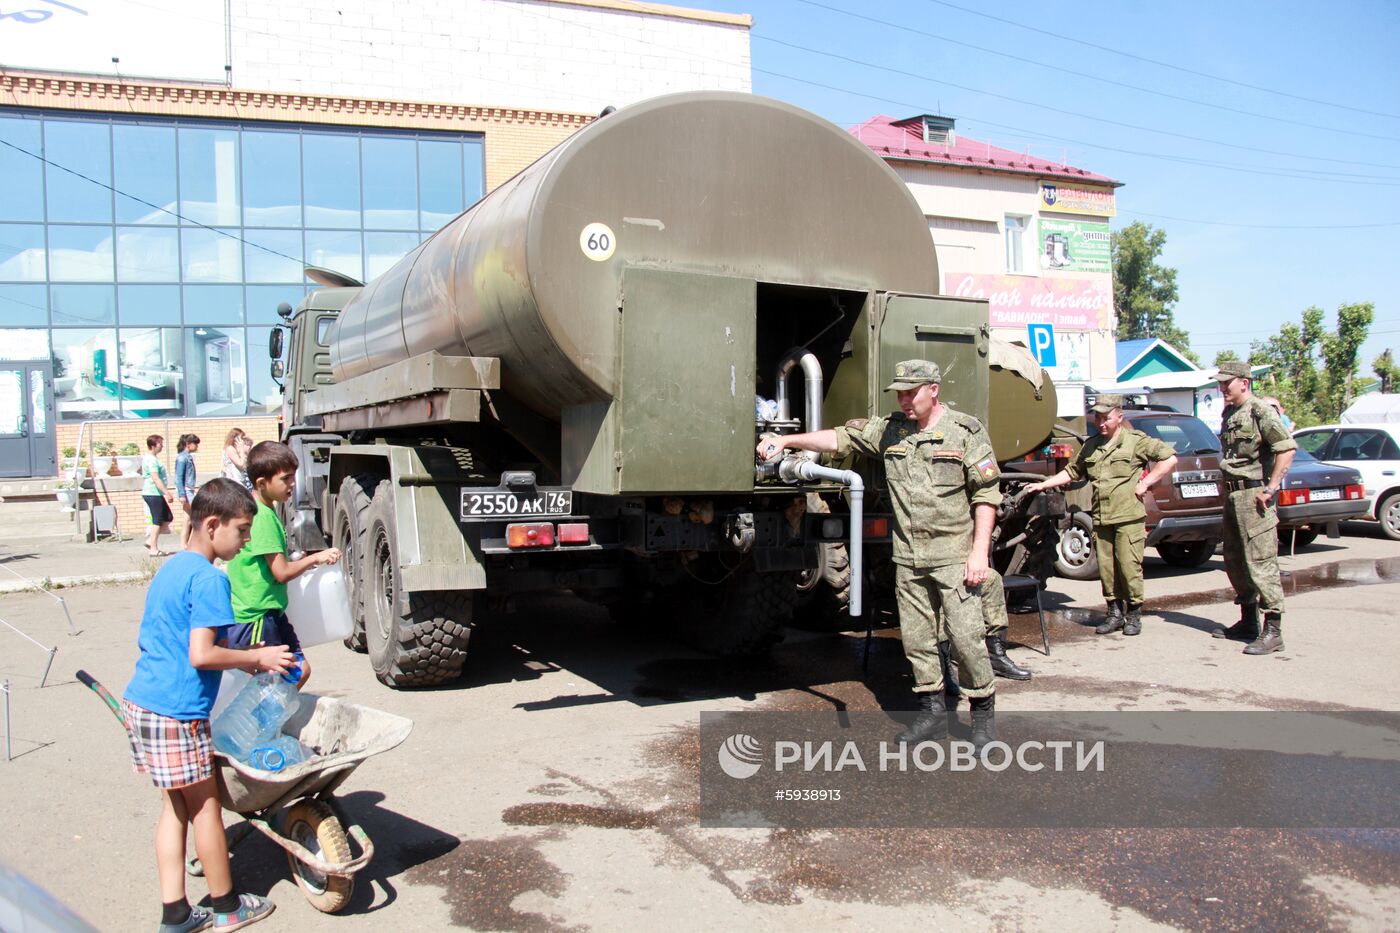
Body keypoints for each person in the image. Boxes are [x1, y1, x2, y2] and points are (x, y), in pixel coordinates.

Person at [760, 359, 1002, 748]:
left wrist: (979, 553)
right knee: (919, 642)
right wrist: (787, 441)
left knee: (967, 639)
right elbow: (839, 438)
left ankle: (982, 721)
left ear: (933, 389)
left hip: (954, 557)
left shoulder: (965, 432)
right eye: (900, 393)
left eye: (911, 392)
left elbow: (987, 494)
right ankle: (932, 714)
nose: (905, 400)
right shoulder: (891, 431)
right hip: (909, 559)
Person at [121, 477, 293, 932]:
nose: (244, 541)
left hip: (145, 701)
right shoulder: (210, 579)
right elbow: (202, 653)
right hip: (179, 712)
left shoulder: (173, 567)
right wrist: (258, 655)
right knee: (205, 808)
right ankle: (227, 907)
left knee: (173, 808)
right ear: (213, 525)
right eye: (241, 531)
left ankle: (175, 912)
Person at [1024, 395, 1178, 636]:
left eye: (1106, 418)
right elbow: (1072, 471)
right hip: (1103, 517)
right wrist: (1043, 485)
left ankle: (1134, 614)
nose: (1101, 422)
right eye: (1098, 417)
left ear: (1119, 417)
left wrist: (1145, 483)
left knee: (1129, 566)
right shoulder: (1092, 444)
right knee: (1107, 568)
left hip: (1128, 516)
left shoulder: (1135, 442)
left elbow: (1169, 458)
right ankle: (1114, 613)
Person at [224, 442, 341, 687]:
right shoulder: (263, 517)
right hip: (256, 618)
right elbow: (281, 572)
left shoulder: (263, 511)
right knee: (274, 683)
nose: (292, 484)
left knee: (298, 671)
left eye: (293, 477)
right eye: (285, 478)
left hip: (269, 613)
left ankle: (272, 721)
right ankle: (262, 724)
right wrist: (315, 558)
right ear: (261, 483)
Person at [1209, 361, 1297, 654]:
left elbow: (1286, 447)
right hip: (1233, 497)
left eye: (1227, 383)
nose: (1222, 388)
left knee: (1261, 562)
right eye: (1221, 383)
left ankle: (1274, 631)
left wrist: (1271, 488)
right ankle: (1248, 622)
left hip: (1254, 495)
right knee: (1235, 560)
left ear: (1244, 382)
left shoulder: (1260, 410)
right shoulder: (1231, 413)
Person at [142, 434, 175, 557]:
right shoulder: (151, 460)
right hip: (153, 493)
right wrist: (167, 493)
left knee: (168, 517)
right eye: (160, 444)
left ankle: (150, 541)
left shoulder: (153, 458)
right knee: (158, 521)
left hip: (156, 493)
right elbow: (155, 478)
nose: (162, 446)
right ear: (153, 445)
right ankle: (153, 549)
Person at [175, 434, 201, 547]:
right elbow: (179, 477)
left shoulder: (188, 457)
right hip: (186, 490)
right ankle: (186, 543)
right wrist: (182, 494)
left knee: (188, 518)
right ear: (188, 444)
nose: (196, 446)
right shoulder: (182, 458)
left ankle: (186, 543)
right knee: (193, 517)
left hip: (188, 489)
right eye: (195, 443)